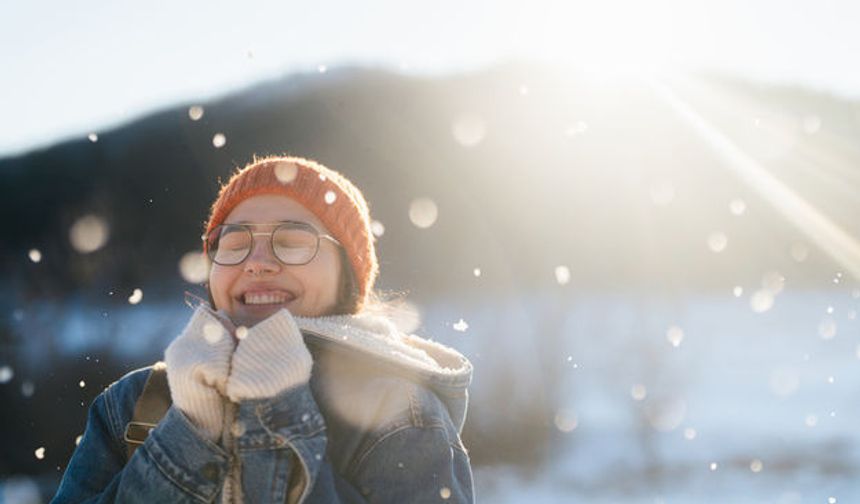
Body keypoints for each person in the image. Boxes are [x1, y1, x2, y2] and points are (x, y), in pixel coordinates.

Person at [52, 156, 474, 503]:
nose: (257, 262)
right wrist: (190, 430)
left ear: (348, 277)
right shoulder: (135, 402)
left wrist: (275, 414)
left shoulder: (397, 409)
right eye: (234, 245)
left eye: (292, 241)